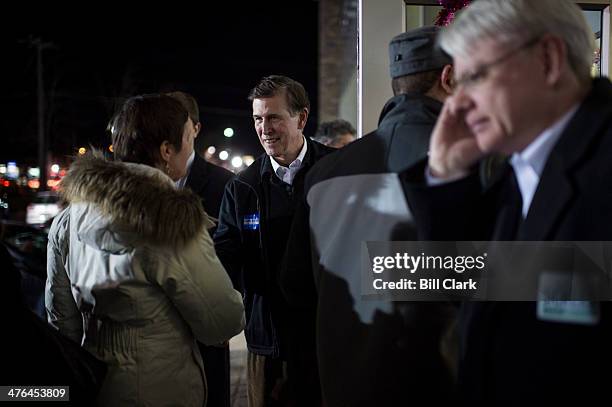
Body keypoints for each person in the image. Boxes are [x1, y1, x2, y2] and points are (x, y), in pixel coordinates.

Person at [401, 0, 612, 404]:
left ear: (548, 59)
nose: (458, 103)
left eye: (475, 77)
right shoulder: (523, 160)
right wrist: (446, 176)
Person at [280, 26, 458, 406]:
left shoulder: (325, 173)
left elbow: (294, 286)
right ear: (449, 77)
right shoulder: (473, 167)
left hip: (346, 382)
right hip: (436, 385)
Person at [46, 94, 245, 407]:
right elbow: (220, 320)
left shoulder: (68, 219)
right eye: (187, 140)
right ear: (167, 150)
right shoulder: (170, 220)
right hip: (161, 385)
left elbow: (61, 318)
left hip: (94, 381)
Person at [214, 75, 334, 406]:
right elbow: (225, 260)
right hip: (269, 343)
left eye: (274, 117)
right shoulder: (242, 188)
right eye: (258, 118)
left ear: (302, 117)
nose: (264, 128)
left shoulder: (335, 171)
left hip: (326, 338)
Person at [167, 90, 235, 407]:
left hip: (207, 330)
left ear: (195, 127)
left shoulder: (225, 184)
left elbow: (233, 255)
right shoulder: (137, 184)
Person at [166, 91, 234, 219]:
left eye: (179, 124)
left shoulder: (227, 184)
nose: (171, 131)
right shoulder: (144, 178)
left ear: (196, 129)